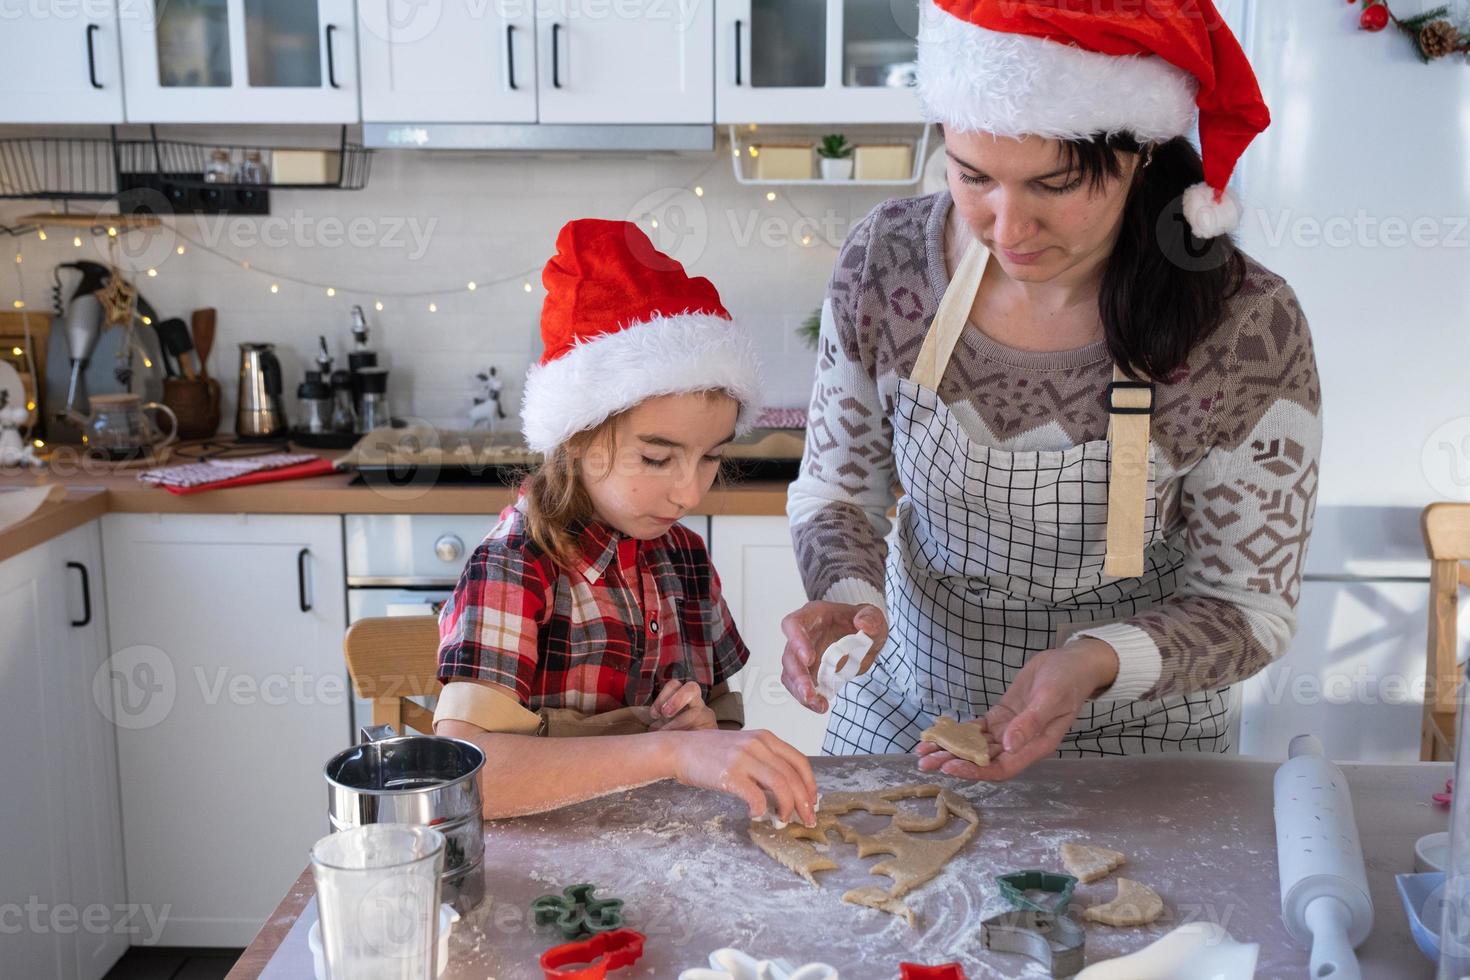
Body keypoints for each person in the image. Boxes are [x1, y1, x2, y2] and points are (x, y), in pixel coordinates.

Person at [781, 0, 1322, 781]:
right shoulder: (888, 261)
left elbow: (1249, 609)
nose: (1008, 228)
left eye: (1055, 184)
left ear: (1139, 153)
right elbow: (836, 489)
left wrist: (1088, 662)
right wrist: (845, 593)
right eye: (974, 177)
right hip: (906, 701)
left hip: (1142, 733)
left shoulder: (1244, 324)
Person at [434, 218, 818, 826]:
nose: (689, 490)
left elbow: (717, 732)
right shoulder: (517, 562)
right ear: (577, 438)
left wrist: (698, 731)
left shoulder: (684, 558)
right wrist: (665, 750)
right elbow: (470, 778)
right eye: (657, 458)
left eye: (712, 456)